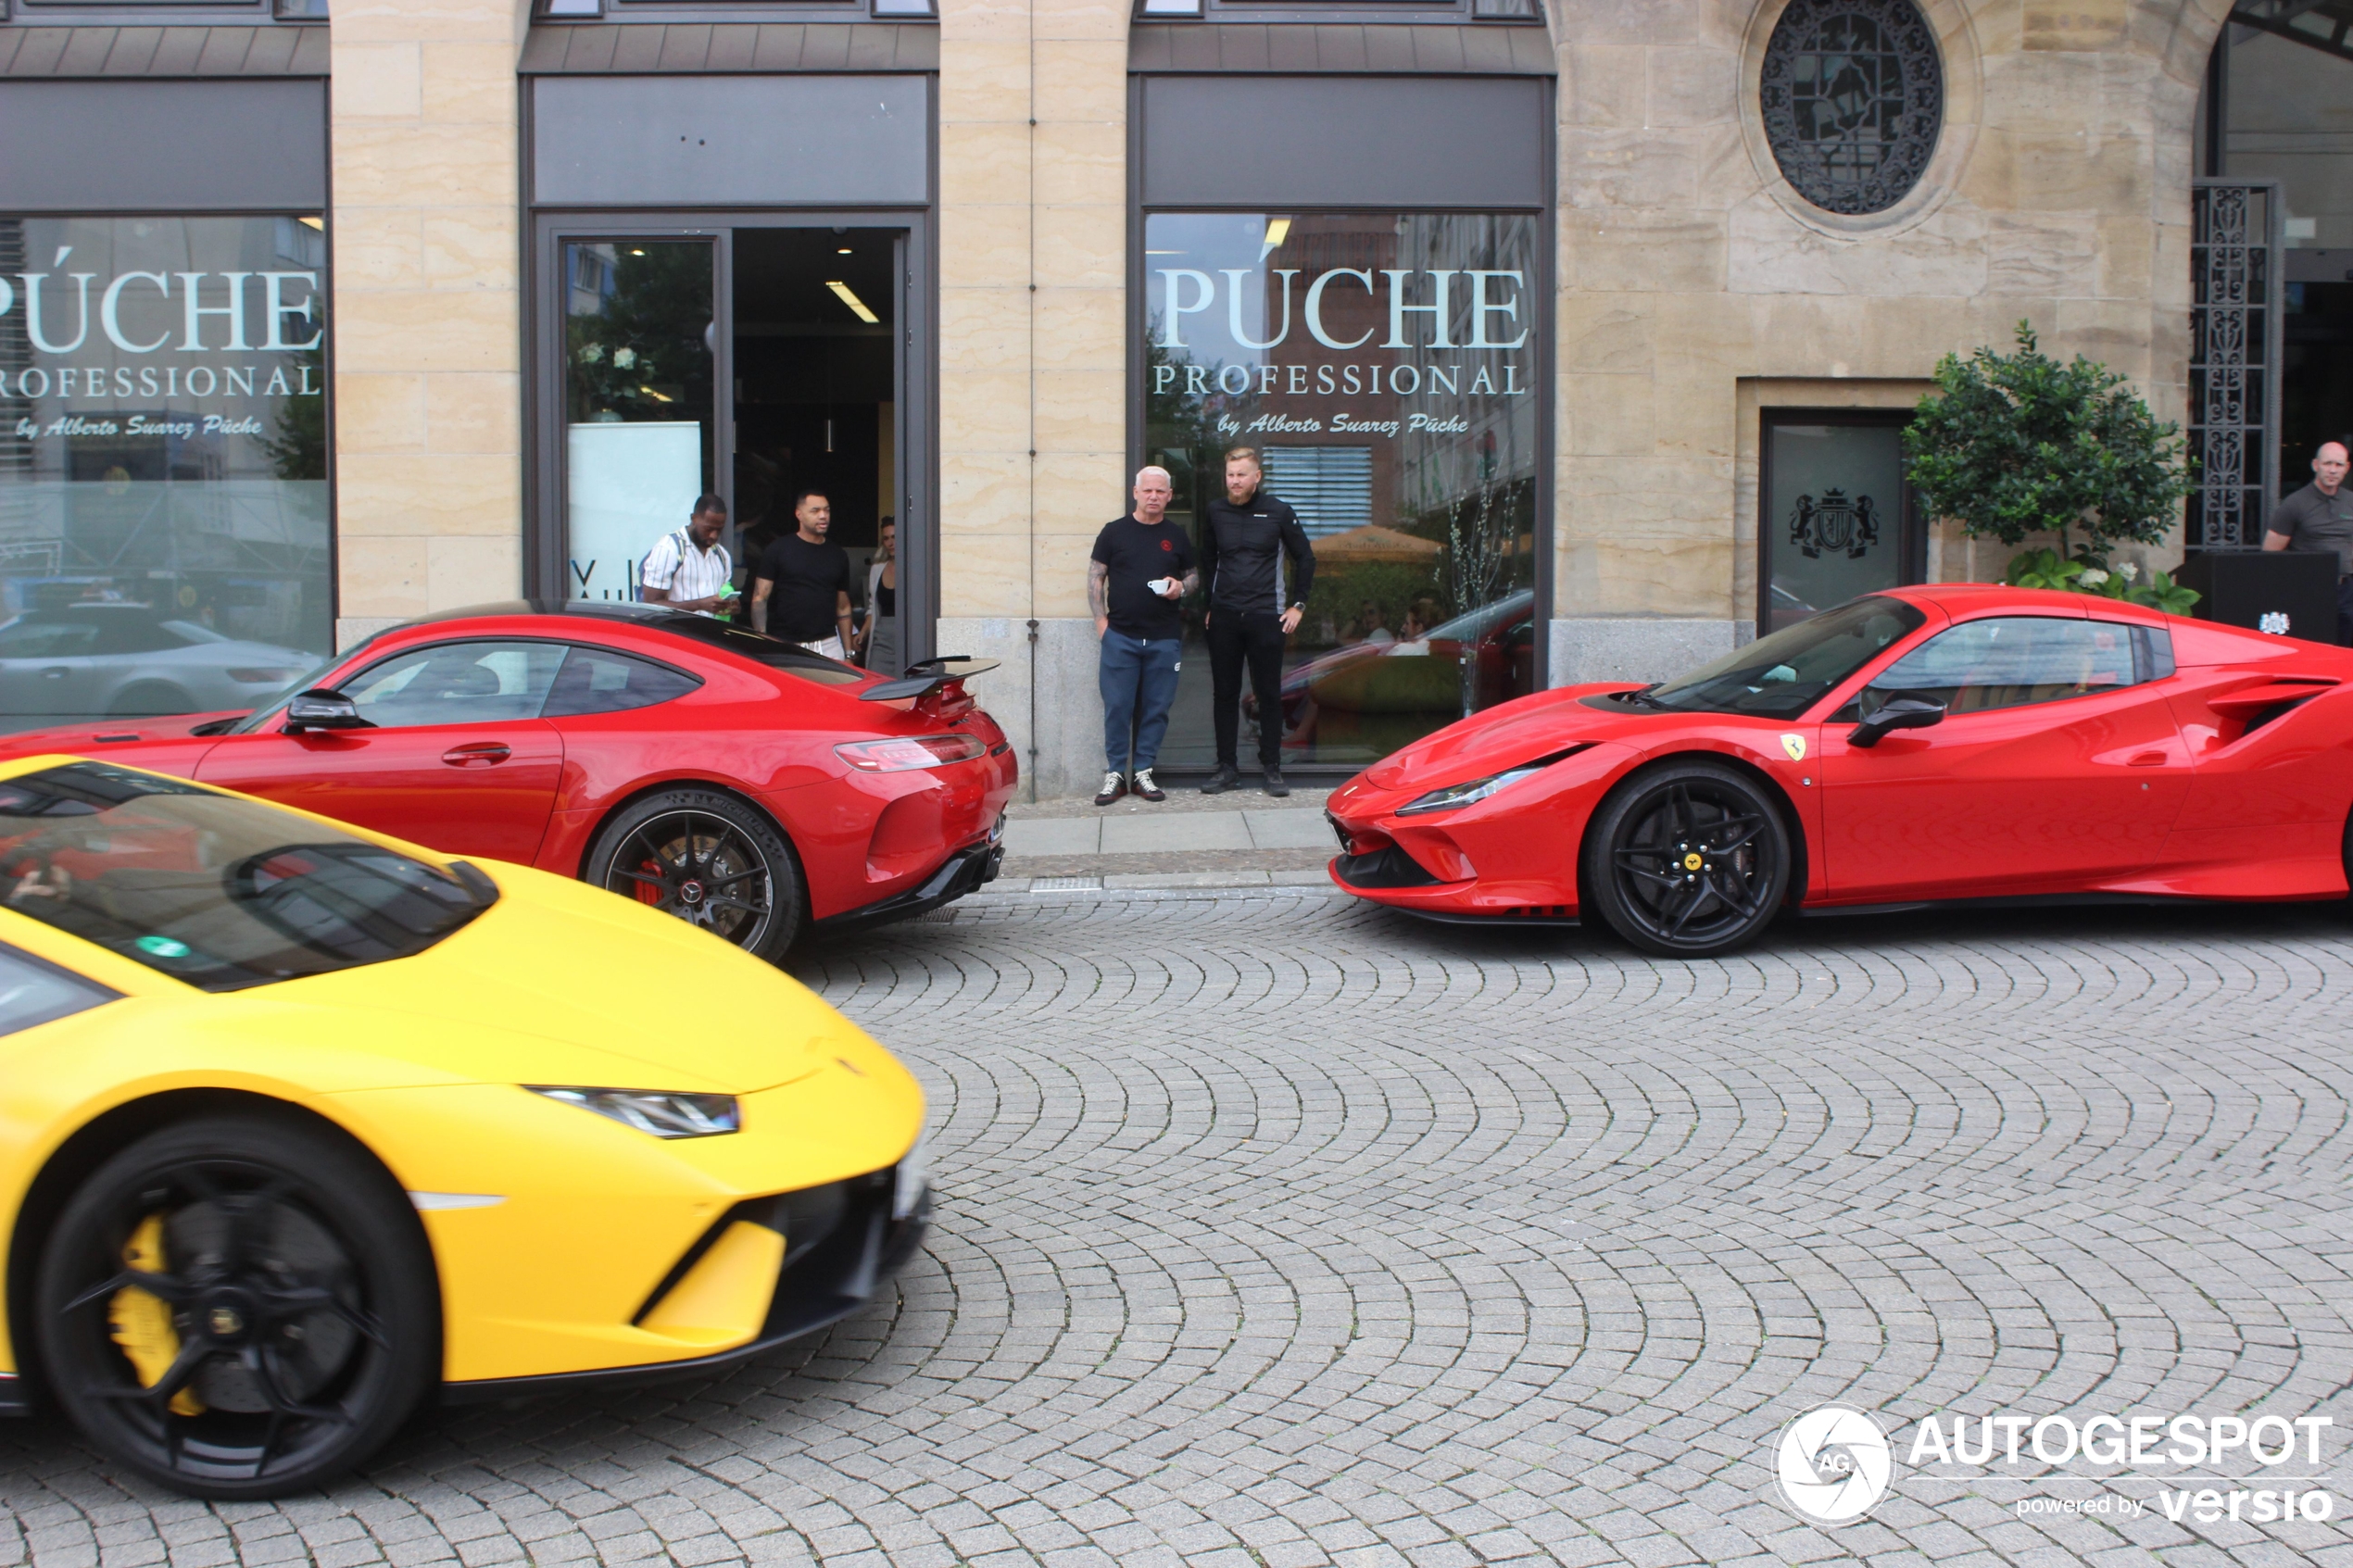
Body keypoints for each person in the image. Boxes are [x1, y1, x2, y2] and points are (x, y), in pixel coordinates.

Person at [1198, 446, 1315, 797]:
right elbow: (1207, 560)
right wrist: (1208, 605)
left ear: (1257, 477)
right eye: (1230, 475)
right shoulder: (1216, 512)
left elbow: (1305, 558)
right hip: (1226, 617)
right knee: (1225, 693)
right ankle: (1226, 768)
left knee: (1268, 694)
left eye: (1241, 475)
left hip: (1267, 616)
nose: (1234, 481)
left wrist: (1298, 606)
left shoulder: (1279, 511)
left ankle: (1272, 767)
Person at [1089, 466, 1197, 806]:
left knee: (1156, 707)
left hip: (1164, 638)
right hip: (1120, 636)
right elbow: (1096, 577)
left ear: (1169, 495)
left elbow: (1194, 577)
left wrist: (1181, 587)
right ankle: (1115, 774)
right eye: (1148, 490)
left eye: (1160, 491)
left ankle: (1144, 772)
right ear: (1135, 492)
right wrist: (1101, 623)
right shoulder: (1114, 532)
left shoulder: (1176, 535)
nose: (1153, 496)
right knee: (1118, 706)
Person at [2263, 439, 2353, 643]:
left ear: (2347, 468)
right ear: (2315, 465)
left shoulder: (2351, 502)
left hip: (2346, 590)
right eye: (2327, 464)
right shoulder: (2294, 503)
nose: (2332, 470)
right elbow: (2270, 552)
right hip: (2309, 590)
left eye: (2338, 465)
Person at [749, 487, 856, 658]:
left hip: (829, 644)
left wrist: (849, 652)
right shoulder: (778, 550)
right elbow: (760, 597)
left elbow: (843, 607)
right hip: (786, 644)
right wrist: (763, 639)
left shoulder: (838, 555)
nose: (823, 516)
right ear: (799, 514)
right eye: (815, 511)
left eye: (826, 510)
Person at [640, 494, 736, 618]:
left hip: (709, 634)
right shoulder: (669, 549)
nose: (714, 536)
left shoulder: (722, 556)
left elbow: (721, 600)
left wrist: (730, 606)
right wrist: (699, 605)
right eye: (708, 529)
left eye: (719, 530)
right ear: (694, 518)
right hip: (676, 633)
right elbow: (650, 605)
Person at [861, 516, 900, 675]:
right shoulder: (877, 569)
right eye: (886, 539)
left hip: (907, 639)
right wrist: (863, 633)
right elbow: (873, 607)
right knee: (875, 684)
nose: (890, 543)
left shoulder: (915, 567)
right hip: (882, 640)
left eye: (894, 537)